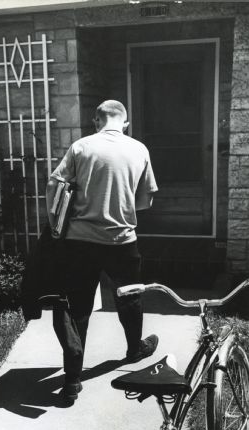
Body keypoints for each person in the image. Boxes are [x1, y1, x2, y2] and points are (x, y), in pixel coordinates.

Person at [46, 99, 159, 402]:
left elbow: (54, 185)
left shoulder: (81, 147)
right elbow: (145, 201)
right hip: (121, 241)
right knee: (130, 298)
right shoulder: (139, 149)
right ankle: (134, 350)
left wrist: (56, 223)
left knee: (79, 307)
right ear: (125, 123)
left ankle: (72, 379)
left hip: (80, 242)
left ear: (96, 121)